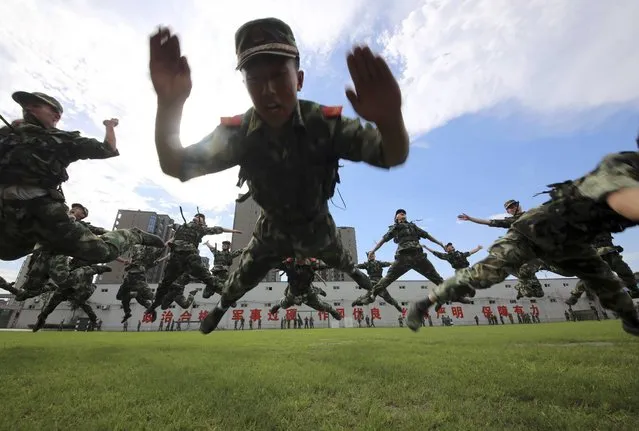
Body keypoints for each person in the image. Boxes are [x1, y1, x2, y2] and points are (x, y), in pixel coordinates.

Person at [149, 17, 410, 334]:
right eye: (255, 79)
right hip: (271, 231)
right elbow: (176, 165)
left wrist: (390, 119)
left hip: (318, 227)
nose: (269, 90)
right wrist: (169, 105)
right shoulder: (238, 133)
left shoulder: (323, 123)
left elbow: (391, 154)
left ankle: (376, 293)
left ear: (298, 79)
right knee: (242, 278)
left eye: (278, 76)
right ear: (244, 84)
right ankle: (220, 308)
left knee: (346, 263)